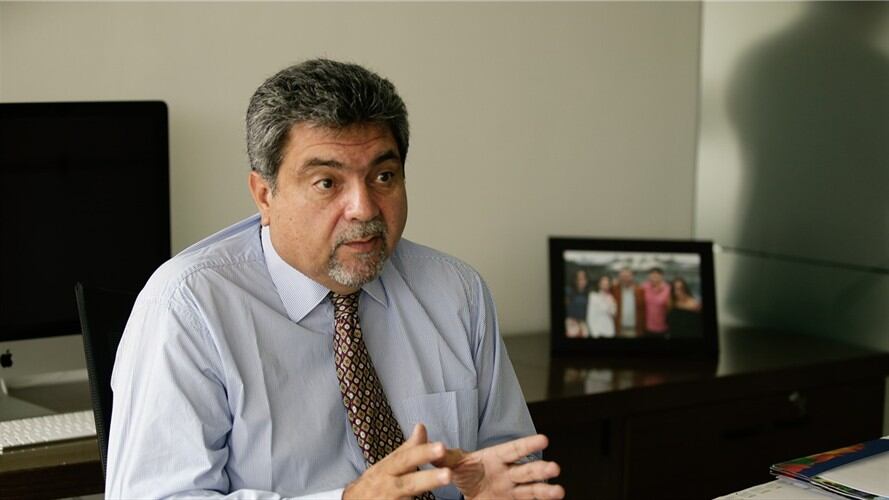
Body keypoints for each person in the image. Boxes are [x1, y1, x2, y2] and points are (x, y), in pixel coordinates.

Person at [106, 59, 563, 500]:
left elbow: (514, 468)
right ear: (265, 195)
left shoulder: (456, 292)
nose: (364, 209)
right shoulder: (189, 306)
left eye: (384, 176)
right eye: (327, 183)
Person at [611, 267, 645, 338]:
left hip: (634, 329)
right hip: (619, 329)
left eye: (627, 276)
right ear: (619, 278)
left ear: (632, 277)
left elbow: (643, 310)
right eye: (622, 276)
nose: (625, 279)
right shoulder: (615, 290)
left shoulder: (640, 291)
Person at [640, 267, 670, 336]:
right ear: (648, 276)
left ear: (662, 276)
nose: (654, 276)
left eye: (657, 274)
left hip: (662, 327)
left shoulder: (668, 289)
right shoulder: (644, 287)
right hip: (646, 327)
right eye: (652, 274)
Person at [564, 269, 590, 338]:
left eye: (584, 279)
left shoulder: (588, 294)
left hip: (583, 323)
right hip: (570, 322)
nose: (581, 281)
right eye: (579, 279)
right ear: (575, 280)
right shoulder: (568, 291)